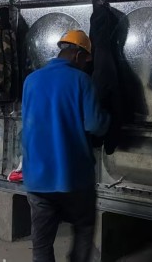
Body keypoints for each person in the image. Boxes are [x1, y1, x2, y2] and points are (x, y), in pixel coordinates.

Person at [22, 29, 110, 262]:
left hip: (37, 178)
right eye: (86, 60)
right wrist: (108, 118)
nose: (86, 66)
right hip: (74, 177)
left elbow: (27, 123)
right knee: (83, 230)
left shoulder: (31, 80)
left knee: (41, 245)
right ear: (77, 55)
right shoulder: (82, 81)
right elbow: (95, 125)